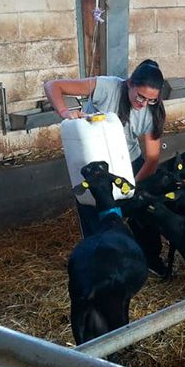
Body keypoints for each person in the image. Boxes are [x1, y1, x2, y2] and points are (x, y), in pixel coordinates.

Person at [44, 59, 167, 239]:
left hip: (129, 164)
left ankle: (150, 259)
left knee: (142, 217)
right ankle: (98, 254)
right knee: (95, 215)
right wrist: (65, 112)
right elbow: (52, 86)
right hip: (95, 166)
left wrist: (132, 187)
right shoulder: (108, 87)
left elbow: (152, 159)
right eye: (140, 96)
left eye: (151, 99)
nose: (143, 104)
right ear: (130, 83)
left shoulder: (151, 113)